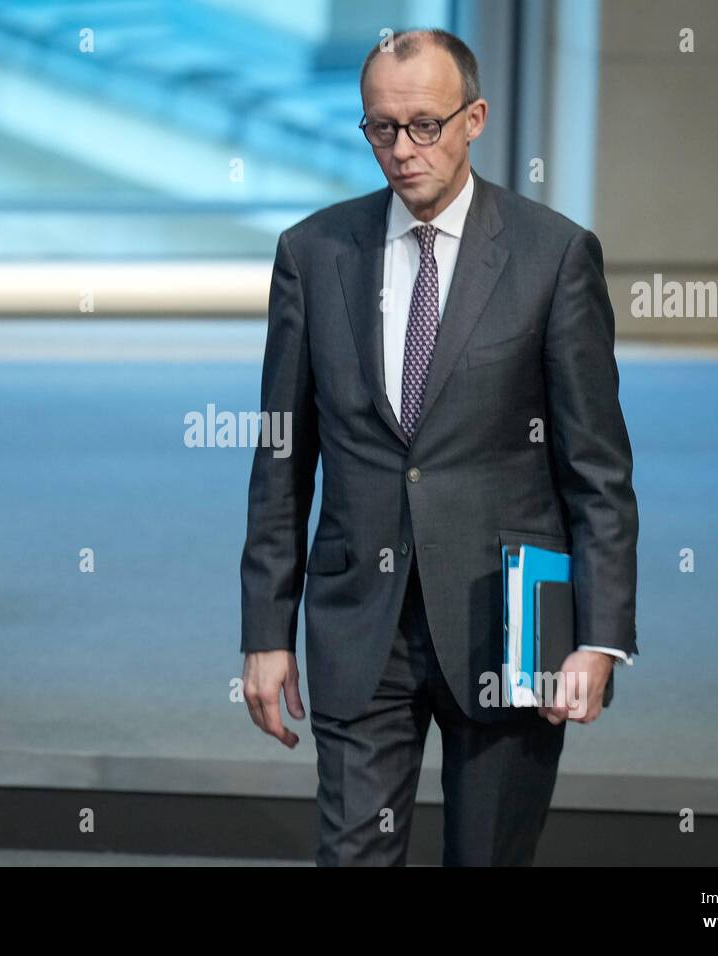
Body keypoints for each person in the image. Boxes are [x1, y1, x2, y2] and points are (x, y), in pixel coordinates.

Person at [239, 28, 639, 866]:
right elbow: (282, 459)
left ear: (475, 119)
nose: (402, 149)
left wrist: (599, 637)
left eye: (424, 124)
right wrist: (266, 632)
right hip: (359, 620)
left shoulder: (553, 256)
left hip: (511, 621)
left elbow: (596, 468)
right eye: (381, 127)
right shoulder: (313, 255)